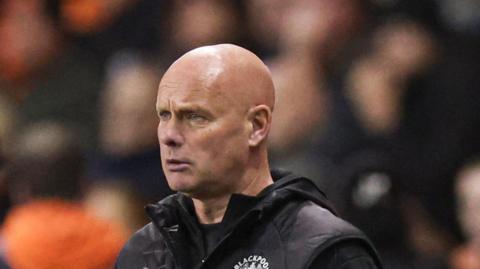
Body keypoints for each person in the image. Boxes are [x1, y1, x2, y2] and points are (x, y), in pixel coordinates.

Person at [115, 44, 382, 269]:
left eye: (195, 116)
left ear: (256, 126)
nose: (168, 135)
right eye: (164, 115)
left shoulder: (323, 252)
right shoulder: (143, 253)